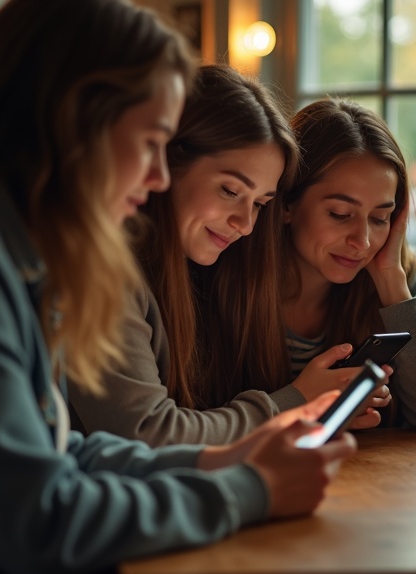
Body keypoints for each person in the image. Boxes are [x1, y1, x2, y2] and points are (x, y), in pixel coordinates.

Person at [0, 1, 354, 574]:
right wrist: (249, 490)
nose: (157, 177)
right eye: (151, 141)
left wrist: (217, 460)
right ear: (73, 121)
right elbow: (38, 518)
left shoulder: (7, 253)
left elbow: (59, 451)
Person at [66, 64, 371, 446]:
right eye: (230, 190)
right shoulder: (100, 273)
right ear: (165, 165)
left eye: (260, 203)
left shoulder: (197, 272)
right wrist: (294, 403)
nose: (245, 224)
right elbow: (148, 434)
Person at [268, 98, 416, 432]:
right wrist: (299, 402)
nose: (362, 241)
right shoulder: (232, 280)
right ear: (287, 203)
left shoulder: (395, 278)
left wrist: (393, 284)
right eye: (340, 214)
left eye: (380, 218)